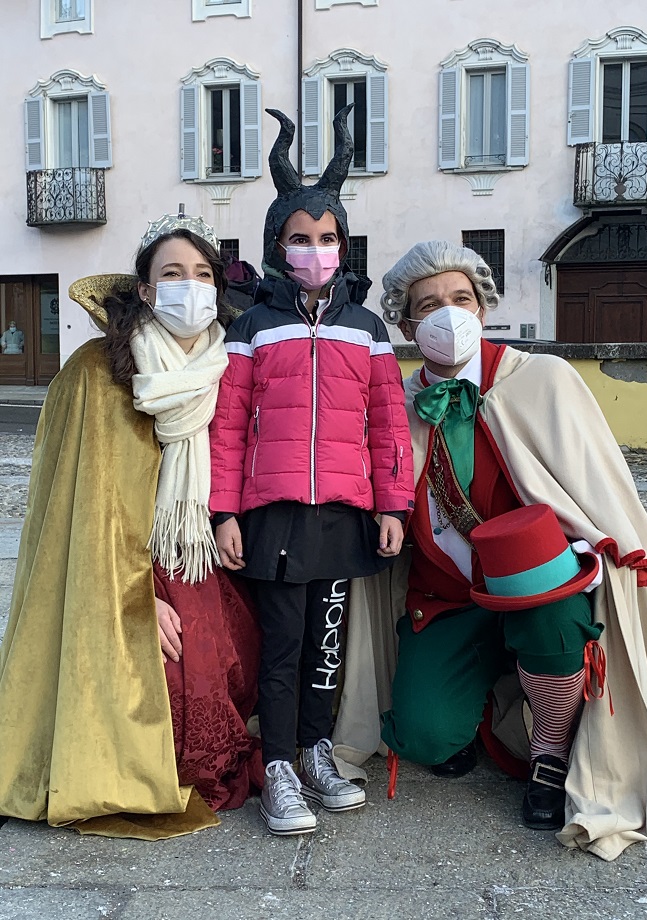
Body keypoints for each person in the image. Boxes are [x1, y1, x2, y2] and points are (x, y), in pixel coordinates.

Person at [332, 240, 647, 862]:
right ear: (406, 324)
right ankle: (478, 707)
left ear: (483, 307)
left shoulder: (542, 378)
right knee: (423, 738)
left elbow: (594, 484)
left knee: (554, 620)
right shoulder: (393, 401)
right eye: (428, 305)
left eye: (461, 299)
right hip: (446, 597)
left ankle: (550, 755)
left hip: (539, 592)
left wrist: (594, 549)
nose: (448, 314)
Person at [0, 213, 262, 839]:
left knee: (227, 665)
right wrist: (137, 596)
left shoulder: (229, 365)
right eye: (172, 273)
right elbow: (86, 506)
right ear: (145, 289)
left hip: (199, 553)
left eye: (202, 273)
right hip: (114, 564)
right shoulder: (96, 369)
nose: (189, 285)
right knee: (164, 676)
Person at [209, 107, 415, 836]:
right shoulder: (252, 327)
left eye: (327, 239)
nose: (315, 250)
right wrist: (224, 513)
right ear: (277, 245)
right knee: (283, 644)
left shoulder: (368, 329)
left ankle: (319, 751)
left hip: (343, 512)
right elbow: (228, 427)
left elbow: (389, 425)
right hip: (271, 514)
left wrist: (393, 506)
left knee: (327, 642)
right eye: (300, 238)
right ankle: (278, 767)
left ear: (344, 246)